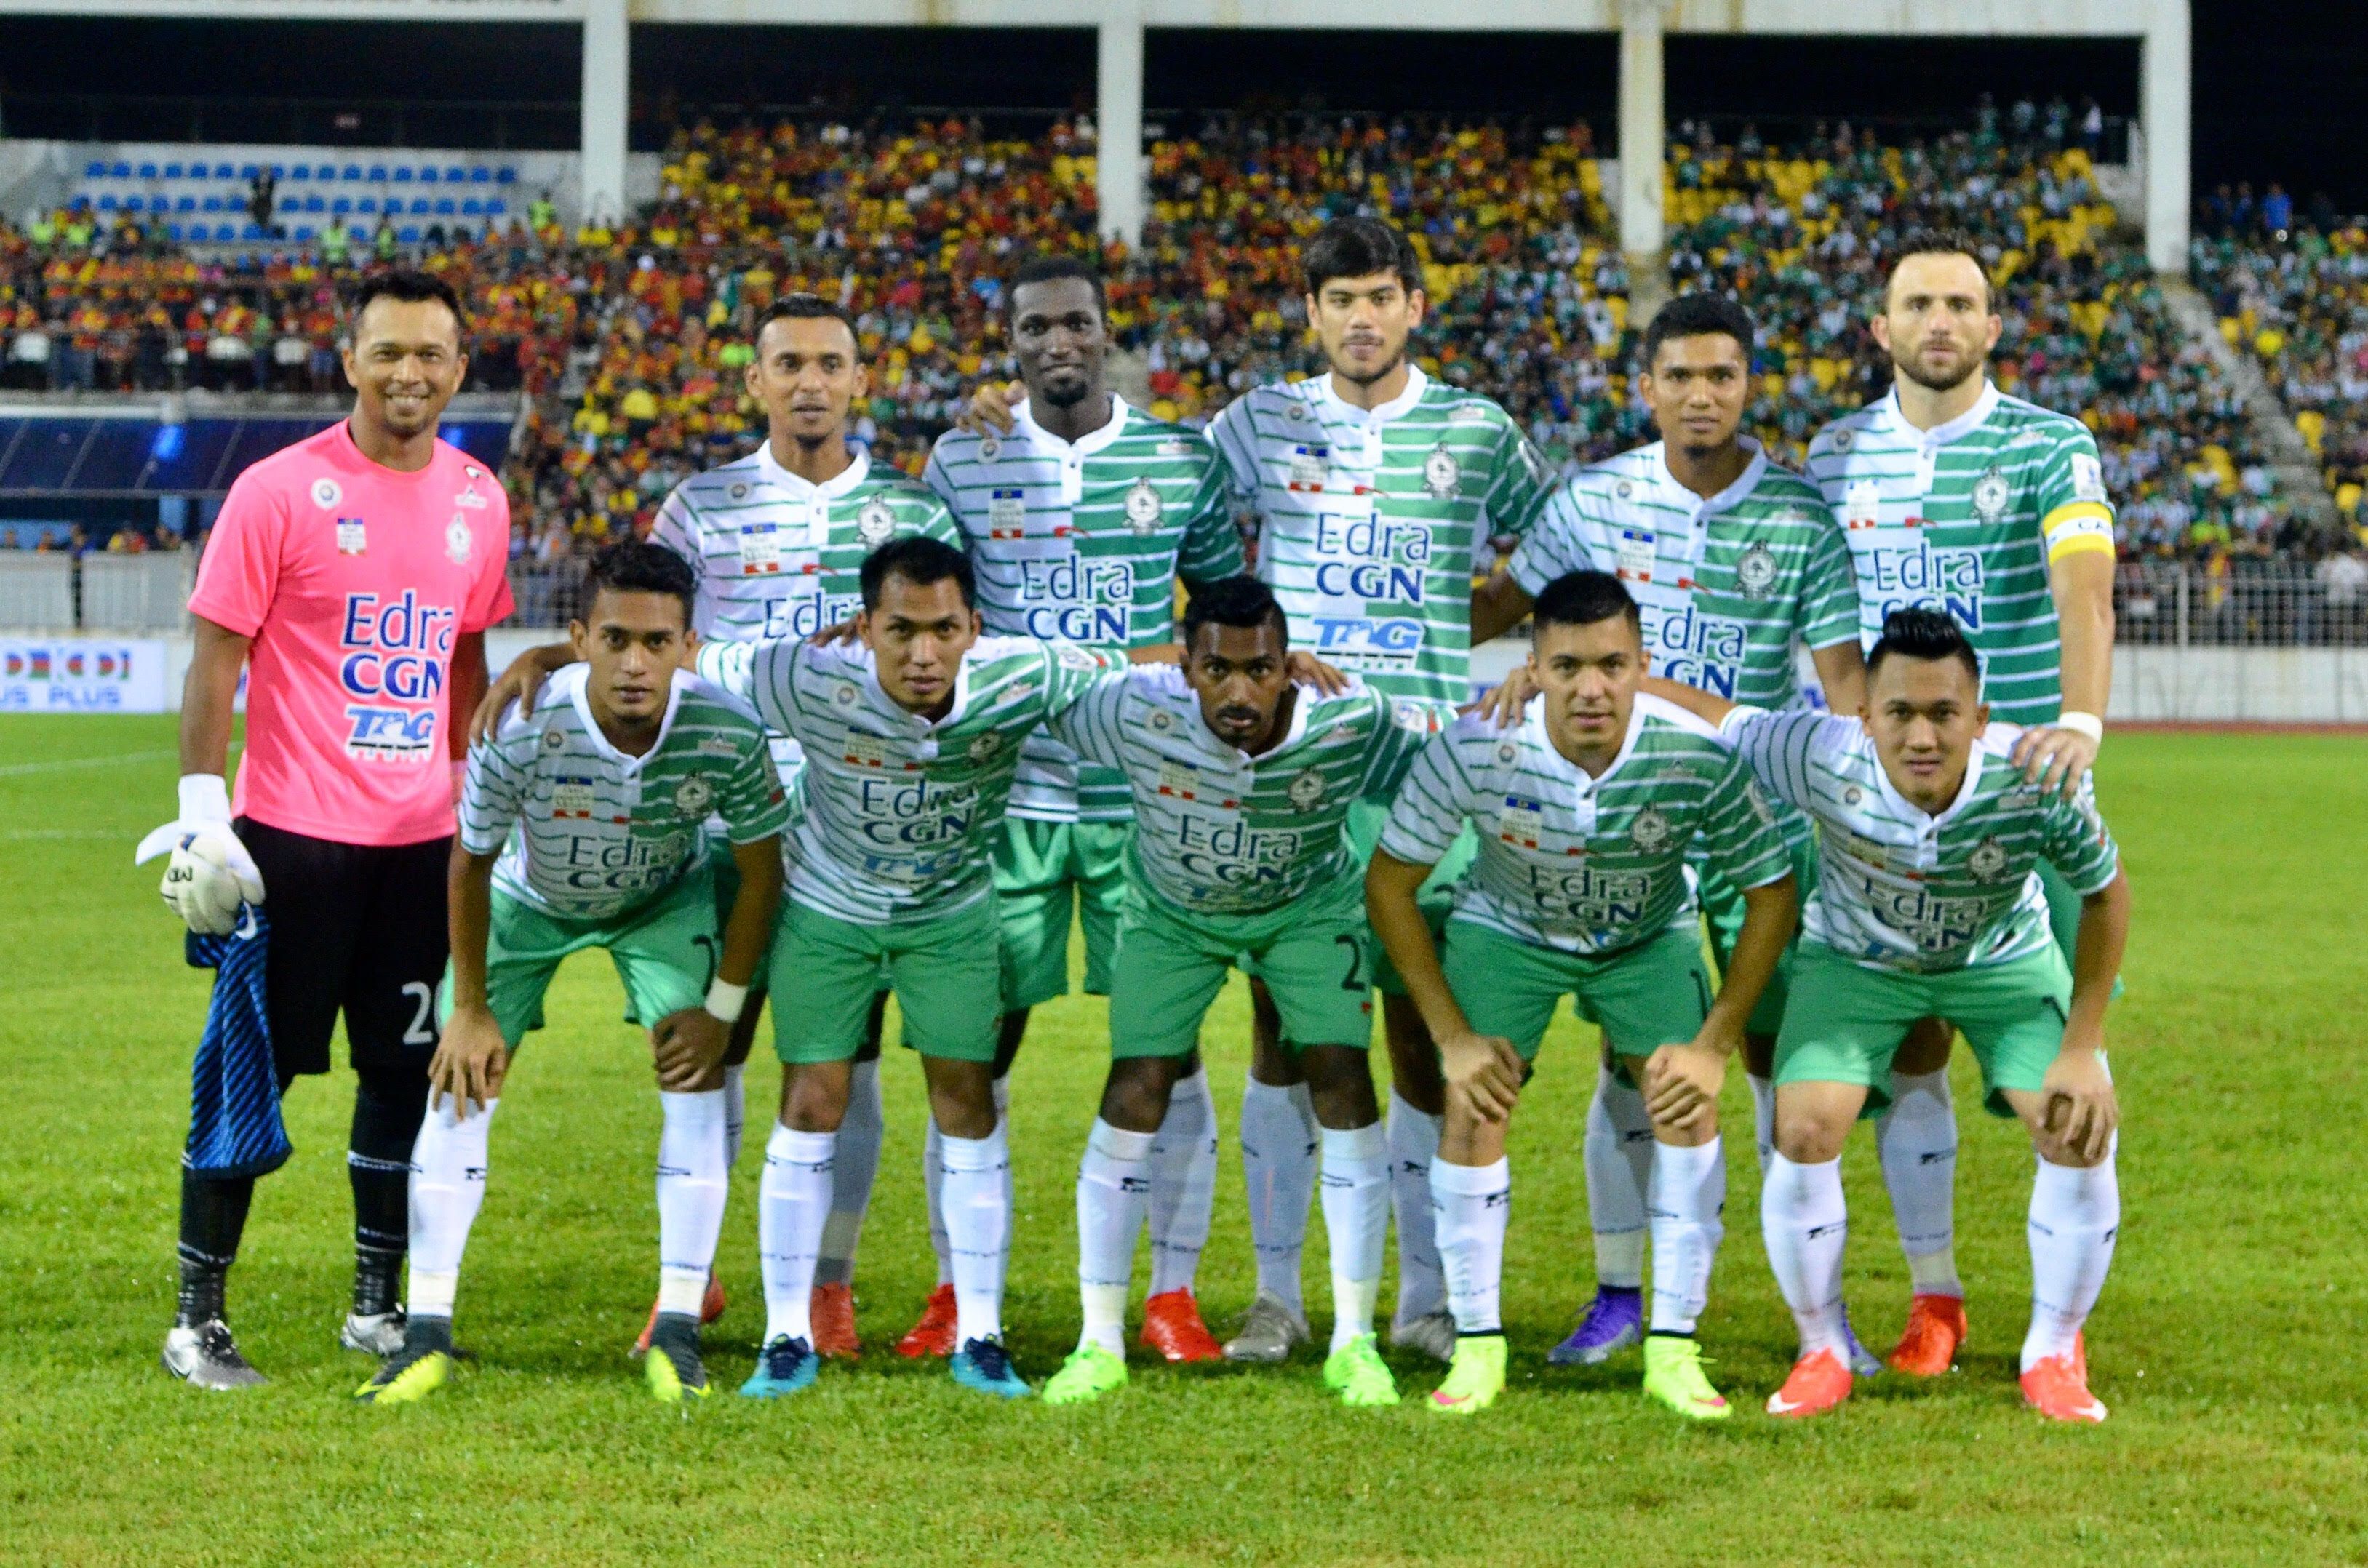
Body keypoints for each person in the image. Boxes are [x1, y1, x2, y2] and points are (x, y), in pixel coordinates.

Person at [1470, 290, 1873, 1369]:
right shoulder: (1590, 499)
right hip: (1618, 821)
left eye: (1722, 375)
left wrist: (1847, 811)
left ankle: (1816, 1317)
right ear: (1642, 388)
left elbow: (1840, 692)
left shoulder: (1795, 515)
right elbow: (1494, 611)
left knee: (1778, 1073)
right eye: (1679, 376)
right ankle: (1617, 1295)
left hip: (1750, 823)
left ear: (1747, 387)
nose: (1701, 394)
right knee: (1629, 1068)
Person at [137, 270, 511, 1388]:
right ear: (348, 360)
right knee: (256, 1075)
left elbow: (462, 661)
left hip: (420, 850)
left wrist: (474, 793)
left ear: (458, 368)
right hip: (292, 841)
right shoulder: (278, 491)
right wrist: (206, 811)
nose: (409, 373)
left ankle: (375, 1307)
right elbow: (216, 660)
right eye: (387, 351)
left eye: (430, 354)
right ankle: (197, 1318)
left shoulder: (479, 498)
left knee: (402, 1077)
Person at [1205, 216, 1558, 1363]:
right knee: (1285, 1031)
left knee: (1419, 1029)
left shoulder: (1474, 429)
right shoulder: (1256, 422)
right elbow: (1156, 515)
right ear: (1309, 313)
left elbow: (1551, 549)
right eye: (1337, 298)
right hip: (1296, 768)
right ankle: (1277, 1297)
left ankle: (1422, 1298)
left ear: (1414, 304)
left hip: (1429, 775)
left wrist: (1474, 628)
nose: (1360, 316)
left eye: (1378, 295)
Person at [1645, 609, 2130, 1423]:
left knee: (2074, 1121)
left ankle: (2054, 1348)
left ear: (1979, 719)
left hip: (2000, 963)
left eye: (1944, 714)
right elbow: (1706, 713)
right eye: (1899, 712)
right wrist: (1604, 682)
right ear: (1864, 715)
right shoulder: (1817, 752)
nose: (1922, 735)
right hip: (1856, 966)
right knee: (1803, 1128)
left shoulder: (2036, 775)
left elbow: (2107, 893)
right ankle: (1822, 1345)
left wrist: (2084, 1044)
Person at [355, 540, 786, 1407]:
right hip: (528, 898)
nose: (636, 663)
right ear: (580, 637)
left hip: (661, 902)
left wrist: (724, 1011)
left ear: (686, 645)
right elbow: (469, 862)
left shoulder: (727, 731)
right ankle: (426, 1329)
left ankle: (676, 1325)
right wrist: (470, 1005)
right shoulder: (521, 723)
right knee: (460, 1076)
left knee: (694, 1078)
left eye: (657, 643)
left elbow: (763, 871)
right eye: (616, 639)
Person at [694, 535, 1123, 1401]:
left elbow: (1147, 680)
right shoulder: (802, 673)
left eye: (943, 629)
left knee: (965, 1100)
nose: (923, 653)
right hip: (828, 910)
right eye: (901, 631)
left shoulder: (1025, 673)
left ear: (974, 626)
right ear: (864, 626)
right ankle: (785, 1335)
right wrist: (554, 650)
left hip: (951, 918)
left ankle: (983, 1332)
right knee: (813, 1098)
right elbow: (690, 653)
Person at [918, 255, 1248, 1364]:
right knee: (973, 1049)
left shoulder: (1175, 457)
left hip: (1142, 796)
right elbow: (930, 622)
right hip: (1003, 795)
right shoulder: (961, 458)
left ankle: (1171, 1292)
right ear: (1008, 344)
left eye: (1075, 322)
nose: (1056, 341)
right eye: (1033, 327)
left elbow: (1226, 624)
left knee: (1168, 1048)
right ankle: (956, 1292)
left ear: (1105, 334)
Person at [1367, 570, 1797, 1419]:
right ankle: (1479, 1344)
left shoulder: (1694, 752)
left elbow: (1772, 893)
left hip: (1645, 937)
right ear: (1531, 665)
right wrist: (1451, 1034)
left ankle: (1675, 1346)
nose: (1591, 688)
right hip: (1508, 930)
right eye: (1566, 666)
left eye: (1611, 664)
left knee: (1685, 1104)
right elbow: (1390, 884)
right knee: (1472, 1102)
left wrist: (1713, 1045)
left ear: (1642, 664)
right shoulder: (1479, 742)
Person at [1803, 228, 2120, 1375]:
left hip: (2017, 790)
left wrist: (2077, 722)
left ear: (1991, 328)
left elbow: (2082, 585)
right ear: (1879, 329)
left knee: (2055, 1072)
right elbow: (1819, 615)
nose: (1938, 321)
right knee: (1909, 1051)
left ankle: (2057, 1333)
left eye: (1960, 304)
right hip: (1876, 797)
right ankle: (1933, 1299)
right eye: (1915, 303)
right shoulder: (1832, 453)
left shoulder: (2047, 445)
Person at [635, 292, 961, 1359]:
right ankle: (690, 1280)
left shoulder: (914, 516)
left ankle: (828, 1282)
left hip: (854, 826)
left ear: (862, 380)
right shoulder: (699, 504)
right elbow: (655, 639)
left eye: (830, 363)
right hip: (719, 816)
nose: (810, 382)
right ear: (754, 382)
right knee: (706, 1053)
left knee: (841, 1061)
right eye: (789, 364)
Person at [1033, 576, 1446, 1409]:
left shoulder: (1351, 716)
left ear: (1289, 667)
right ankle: (1097, 1340)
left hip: (1306, 910)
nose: (1238, 690)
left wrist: (1524, 688)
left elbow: (1454, 744)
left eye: (1260, 670)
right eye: (1215, 668)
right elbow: (1030, 682)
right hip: (1172, 915)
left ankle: (1355, 1340)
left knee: (1342, 1076)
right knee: (1136, 1083)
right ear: (1185, 668)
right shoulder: (1130, 707)